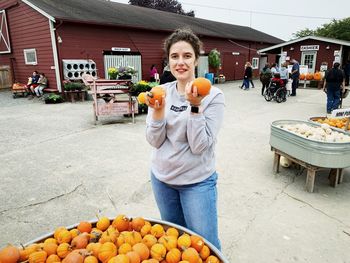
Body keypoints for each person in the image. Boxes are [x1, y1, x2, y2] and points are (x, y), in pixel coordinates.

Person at [144, 28, 225, 250]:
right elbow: (154, 141)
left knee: (205, 245)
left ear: (196, 59)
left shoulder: (213, 96)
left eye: (187, 56)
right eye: (174, 56)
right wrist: (158, 113)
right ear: (168, 61)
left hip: (197, 183)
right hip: (162, 180)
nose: (181, 62)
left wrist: (195, 106)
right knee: (173, 242)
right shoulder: (160, 91)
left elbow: (199, 146)